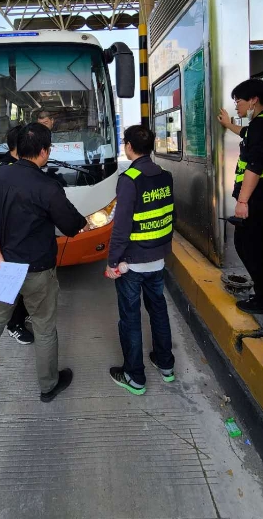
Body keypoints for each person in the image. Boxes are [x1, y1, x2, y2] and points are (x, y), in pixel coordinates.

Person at [0, 123, 87, 402]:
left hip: (2, 266)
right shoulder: (47, 186)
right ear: (44, 152)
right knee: (44, 325)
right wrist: (82, 221)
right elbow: (71, 225)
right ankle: (48, 385)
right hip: (37, 270)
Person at [105, 125, 175, 396]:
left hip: (132, 264)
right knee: (158, 310)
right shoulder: (165, 175)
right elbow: (168, 214)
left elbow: (121, 228)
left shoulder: (129, 179)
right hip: (157, 260)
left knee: (130, 319)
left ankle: (134, 377)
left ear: (129, 147)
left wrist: (112, 262)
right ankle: (165, 364)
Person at [217, 78, 263, 315]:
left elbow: (255, 166)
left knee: (248, 246)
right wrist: (229, 125)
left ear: (253, 100)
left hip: (256, 197)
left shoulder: (261, 124)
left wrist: (242, 201)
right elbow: (245, 133)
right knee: (252, 245)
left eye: (238, 101)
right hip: (260, 195)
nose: (236, 105)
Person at [0, 124, 33, 346]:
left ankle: (22, 316)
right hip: (12, 241)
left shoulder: (19, 166)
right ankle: (14, 325)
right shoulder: (5, 171)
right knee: (15, 287)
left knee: (26, 284)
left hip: (24, 239)